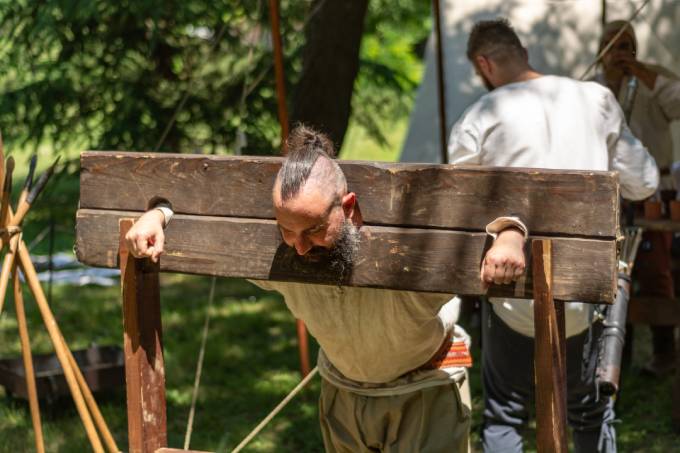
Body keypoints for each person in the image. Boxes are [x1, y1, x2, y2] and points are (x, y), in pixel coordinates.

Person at [124, 125, 529, 452]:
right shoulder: (282, 258)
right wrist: (160, 214)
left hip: (425, 388)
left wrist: (509, 232)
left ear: (349, 207)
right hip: (343, 389)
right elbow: (193, 214)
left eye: (315, 229)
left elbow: (507, 212)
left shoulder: (413, 271)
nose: (299, 246)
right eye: (286, 230)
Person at [448, 19, 659, 453]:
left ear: (484, 63)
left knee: (504, 411)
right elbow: (645, 182)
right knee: (589, 410)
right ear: (522, 51)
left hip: (512, 297)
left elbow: (456, 205)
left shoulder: (480, 115)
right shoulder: (597, 99)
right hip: (585, 297)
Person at [595, 20, 680, 377]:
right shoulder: (590, 90)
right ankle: (616, 355)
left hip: (652, 191)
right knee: (607, 273)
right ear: (602, 52)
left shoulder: (654, 79)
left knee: (656, 270)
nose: (620, 53)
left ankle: (664, 353)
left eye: (627, 45)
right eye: (613, 46)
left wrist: (644, 74)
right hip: (604, 192)